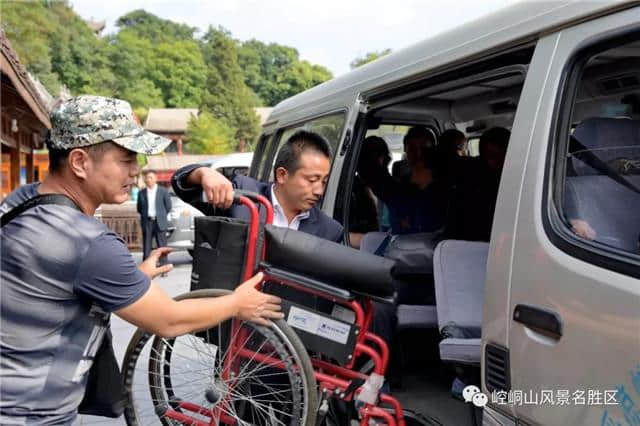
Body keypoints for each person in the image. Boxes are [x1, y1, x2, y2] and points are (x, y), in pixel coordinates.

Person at [0, 96, 282, 424]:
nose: (137, 170)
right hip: (31, 413)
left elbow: (49, 282)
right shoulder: (88, 243)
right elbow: (169, 320)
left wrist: (132, 278)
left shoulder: (21, 201)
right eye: (126, 158)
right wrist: (237, 304)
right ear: (79, 162)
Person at [171, 130, 343, 242]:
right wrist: (203, 173)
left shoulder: (329, 232)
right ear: (282, 175)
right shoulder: (243, 199)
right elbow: (182, 186)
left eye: (324, 181)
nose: (319, 190)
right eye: (312, 180)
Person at [359, 127, 446, 235]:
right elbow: (374, 178)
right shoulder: (397, 189)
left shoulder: (446, 186)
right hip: (402, 248)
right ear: (406, 151)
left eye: (425, 149)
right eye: (413, 149)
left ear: (434, 150)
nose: (419, 154)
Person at [445, 127, 511, 241]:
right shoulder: (470, 178)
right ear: (483, 156)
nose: (499, 162)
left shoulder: (518, 178)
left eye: (505, 156)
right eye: (492, 156)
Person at [137, 170, 171, 261]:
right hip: (147, 222)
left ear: (156, 179)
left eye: (151, 177)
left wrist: (161, 215)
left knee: (162, 245)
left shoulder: (163, 191)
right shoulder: (141, 193)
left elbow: (168, 207)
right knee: (147, 246)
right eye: (147, 178)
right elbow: (139, 208)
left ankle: (164, 267)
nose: (148, 180)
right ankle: (146, 268)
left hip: (159, 221)